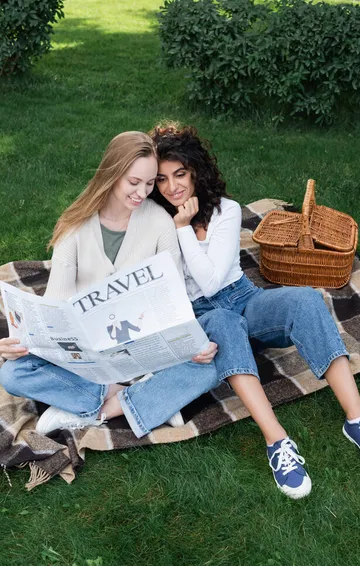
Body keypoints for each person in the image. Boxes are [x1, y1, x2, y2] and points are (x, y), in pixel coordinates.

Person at [148, 122, 360, 499]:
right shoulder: (155, 222)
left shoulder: (226, 211)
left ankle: (358, 421)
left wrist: (185, 228)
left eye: (180, 174)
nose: (173, 187)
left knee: (306, 298)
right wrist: (179, 227)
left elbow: (216, 280)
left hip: (243, 297)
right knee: (224, 323)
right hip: (202, 315)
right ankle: (277, 441)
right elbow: (184, 288)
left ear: (196, 169)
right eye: (162, 179)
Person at [0, 131, 240, 437]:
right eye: (133, 182)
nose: (143, 193)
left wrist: (191, 344)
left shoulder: (158, 222)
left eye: (150, 183)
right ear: (112, 175)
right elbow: (56, 302)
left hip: (145, 347)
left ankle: (95, 408)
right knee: (13, 373)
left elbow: (173, 297)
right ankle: (144, 398)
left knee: (208, 367)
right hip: (88, 351)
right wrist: (23, 342)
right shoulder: (75, 226)